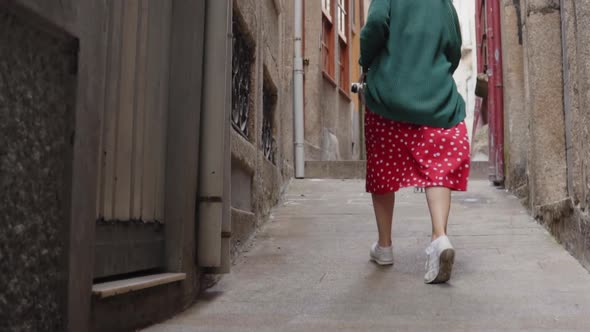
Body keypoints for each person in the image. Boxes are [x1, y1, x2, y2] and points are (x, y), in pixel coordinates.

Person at [359, 0, 469, 284]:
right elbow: (453, 47)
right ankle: (439, 236)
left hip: (389, 95)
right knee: (439, 166)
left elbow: (374, 26)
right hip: (435, 97)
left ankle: (384, 247)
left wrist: (366, 63)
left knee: (383, 166)